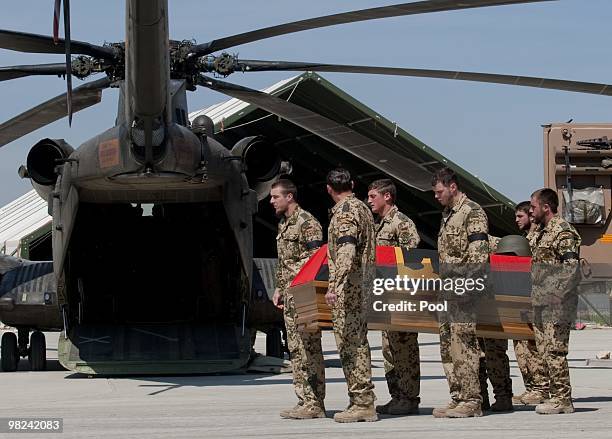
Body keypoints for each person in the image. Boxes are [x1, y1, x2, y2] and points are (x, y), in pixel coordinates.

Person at [431, 167, 493, 418]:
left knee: (464, 344)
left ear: (452, 187)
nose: (436, 196)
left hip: (463, 292)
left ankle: (471, 400)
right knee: (448, 346)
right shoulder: (447, 215)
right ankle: (457, 396)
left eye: (439, 191)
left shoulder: (472, 212)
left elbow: (479, 255)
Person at [325, 168, 378, 423]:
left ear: (328, 189)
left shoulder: (345, 213)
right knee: (357, 343)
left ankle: (363, 403)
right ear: (353, 184)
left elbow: (346, 250)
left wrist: (334, 285)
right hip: (362, 285)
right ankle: (360, 399)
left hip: (350, 289)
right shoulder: (363, 209)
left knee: (351, 346)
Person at [270, 179, 326, 419]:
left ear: (289, 197)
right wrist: (280, 288)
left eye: (276, 197)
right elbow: (285, 262)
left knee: (308, 348)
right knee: (295, 349)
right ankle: (304, 399)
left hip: (304, 295)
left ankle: (315, 403)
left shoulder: (307, 223)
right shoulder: (284, 224)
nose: (272, 201)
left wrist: (294, 282)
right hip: (290, 295)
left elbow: (317, 259)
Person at [366, 179, 421, 415]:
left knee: (404, 347)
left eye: (372, 196)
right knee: (389, 349)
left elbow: (412, 256)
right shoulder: (378, 225)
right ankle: (396, 396)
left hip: (400, 295)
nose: (369, 201)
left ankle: (409, 398)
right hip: (384, 296)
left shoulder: (402, 223)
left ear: (387, 197)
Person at [529, 188, 581, 414]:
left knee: (555, 351)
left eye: (533, 207)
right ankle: (554, 395)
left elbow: (571, 268)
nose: (531, 211)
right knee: (544, 351)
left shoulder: (562, 231)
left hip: (557, 303)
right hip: (541, 302)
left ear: (545, 207)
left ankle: (563, 400)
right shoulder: (541, 231)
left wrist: (556, 294)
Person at [511, 201, 549, 406]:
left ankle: (542, 388)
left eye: (520, 216)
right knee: (522, 347)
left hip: (535, 300)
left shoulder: (537, 239)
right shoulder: (525, 240)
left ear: (531, 216)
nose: (516, 220)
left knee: (534, 347)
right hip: (522, 299)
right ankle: (532, 387)